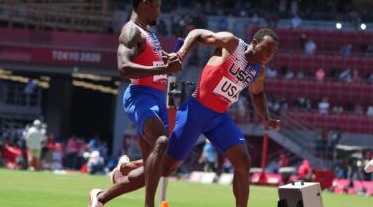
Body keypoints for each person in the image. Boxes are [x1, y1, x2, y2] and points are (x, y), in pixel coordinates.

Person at [89, 28, 281, 207]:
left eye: (273, 52)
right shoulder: (232, 44)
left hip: (219, 118)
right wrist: (181, 54)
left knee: (243, 160)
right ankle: (101, 197)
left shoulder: (258, 70)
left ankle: (127, 168)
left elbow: (257, 94)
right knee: (164, 168)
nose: (269, 55)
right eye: (267, 49)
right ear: (254, 43)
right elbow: (197, 34)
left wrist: (266, 116)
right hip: (195, 111)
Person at [88, 0, 181, 207]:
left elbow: (153, 62)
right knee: (162, 142)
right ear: (145, 4)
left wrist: (166, 63)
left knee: (152, 170)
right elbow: (124, 67)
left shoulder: (150, 34)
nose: (159, 12)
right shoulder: (131, 31)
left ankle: (100, 198)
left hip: (158, 97)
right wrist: (161, 70)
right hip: (140, 96)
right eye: (157, 7)